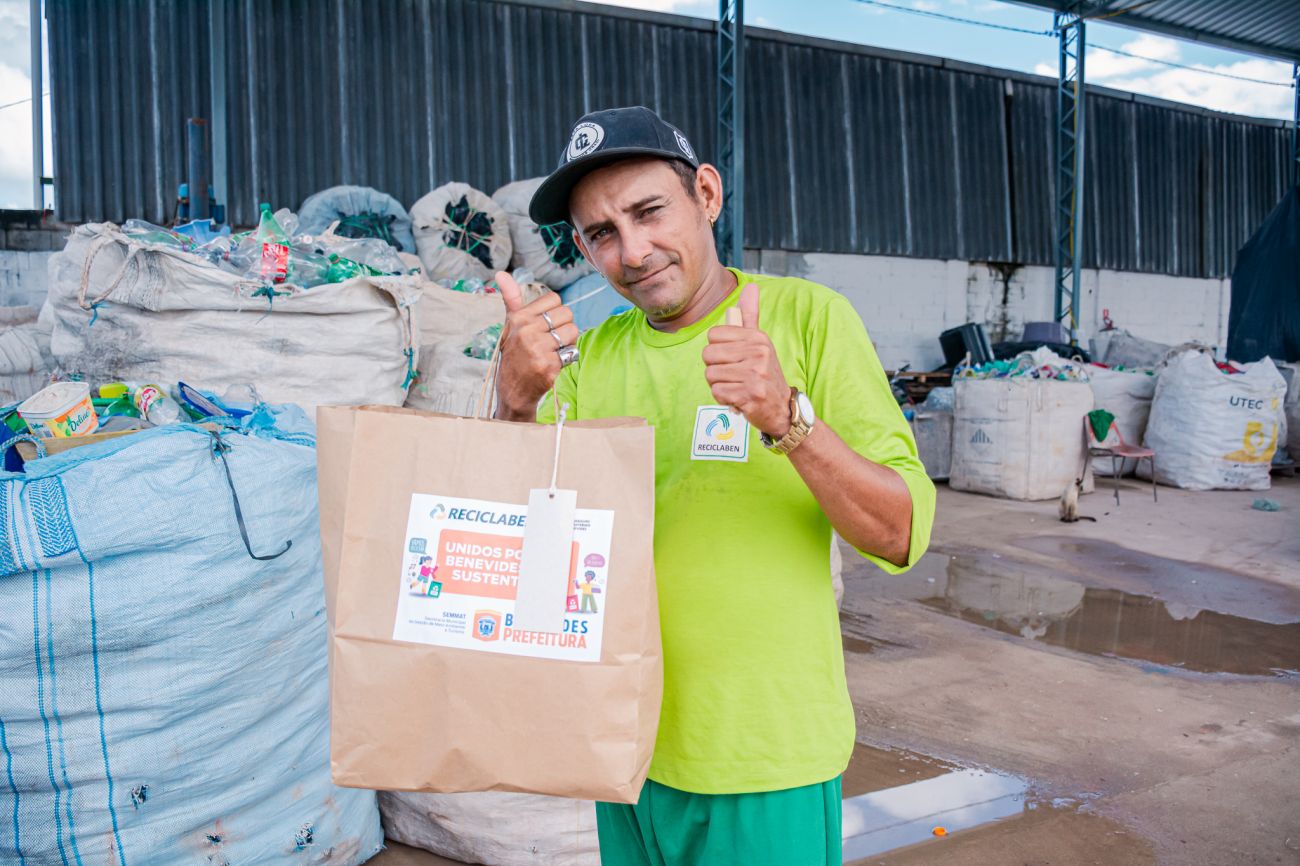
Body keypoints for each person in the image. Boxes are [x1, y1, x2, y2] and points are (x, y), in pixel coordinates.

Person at [493, 106, 935, 865]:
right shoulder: (589, 361)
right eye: (602, 233)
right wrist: (513, 404)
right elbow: (515, 549)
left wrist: (787, 418)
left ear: (705, 193)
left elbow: (900, 535)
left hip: (763, 755)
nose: (633, 251)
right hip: (626, 751)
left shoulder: (809, 320)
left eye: (648, 212)